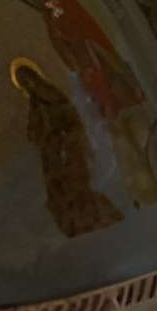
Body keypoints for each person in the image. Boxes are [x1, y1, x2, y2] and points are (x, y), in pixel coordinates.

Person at [4, 0, 157, 201]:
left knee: (140, 129)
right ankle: (145, 193)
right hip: (93, 79)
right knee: (122, 138)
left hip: (102, 68)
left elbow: (85, 33)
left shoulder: (64, 4)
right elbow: (64, 51)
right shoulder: (50, 19)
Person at [14, 59, 122, 238]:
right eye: (24, 82)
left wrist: (65, 138)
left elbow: (68, 116)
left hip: (68, 144)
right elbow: (35, 134)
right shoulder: (33, 107)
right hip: (53, 153)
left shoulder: (54, 97)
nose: (29, 84)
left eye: (29, 79)